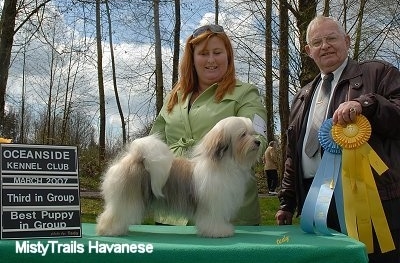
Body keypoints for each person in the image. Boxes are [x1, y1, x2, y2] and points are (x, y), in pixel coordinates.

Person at [275, 15, 400, 263]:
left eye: (332, 38)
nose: (325, 46)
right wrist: (287, 202)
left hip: (371, 200)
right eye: (317, 42)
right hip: (316, 203)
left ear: (347, 40)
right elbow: (293, 154)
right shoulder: (302, 95)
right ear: (308, 51)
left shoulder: (378, 72)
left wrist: (368, 104)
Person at [150, 23, 267, 226]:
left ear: (228, 56)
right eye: (203, 53)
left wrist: (220, 153)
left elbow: (258, 139)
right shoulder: (174, 97)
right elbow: (154, 140)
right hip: (173, 210)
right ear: (192, 59)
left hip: (226, 213)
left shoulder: (245, 93)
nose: (211, 59)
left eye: (217, 52)